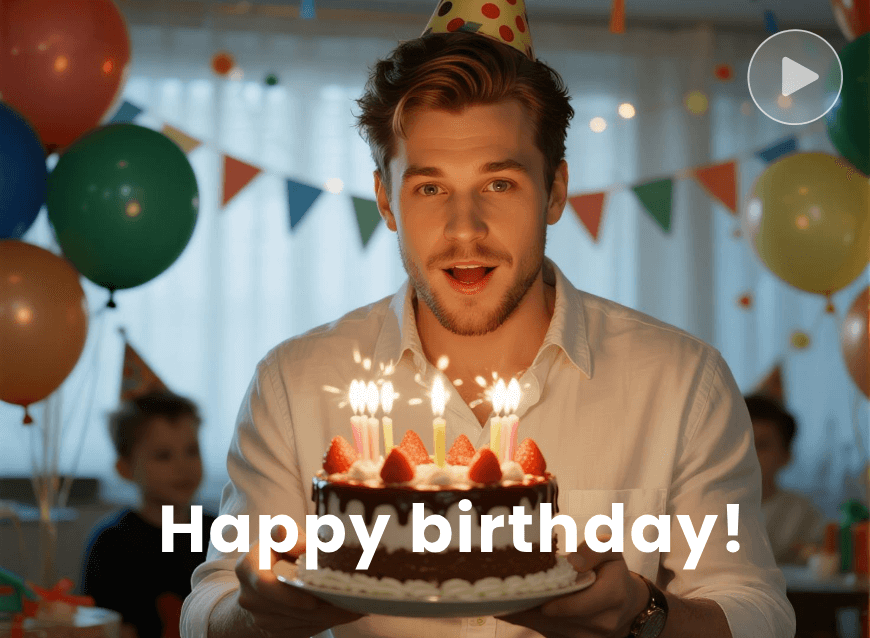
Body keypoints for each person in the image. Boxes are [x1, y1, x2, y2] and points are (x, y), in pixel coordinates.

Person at [181, 3, 795, 636]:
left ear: (555, 191)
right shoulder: (293, 382)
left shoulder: (682, 381)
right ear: (386, 201)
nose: (464, 230)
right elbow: (209, 607)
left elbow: (759, 614)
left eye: (499, 184)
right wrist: (259, 615)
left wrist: (642, 613)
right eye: (430, 188)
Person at [83, 391, 216, 638]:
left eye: (192, 451)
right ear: (125, 469)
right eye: (163, 455)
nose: (183, 466)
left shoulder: (219, 531)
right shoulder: (112, 544)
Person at [745, 393, 828, 564]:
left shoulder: (803, 514)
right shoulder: (707, 508)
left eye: (761, 445)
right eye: (740, 444)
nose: (748, 454)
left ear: (786, 456)